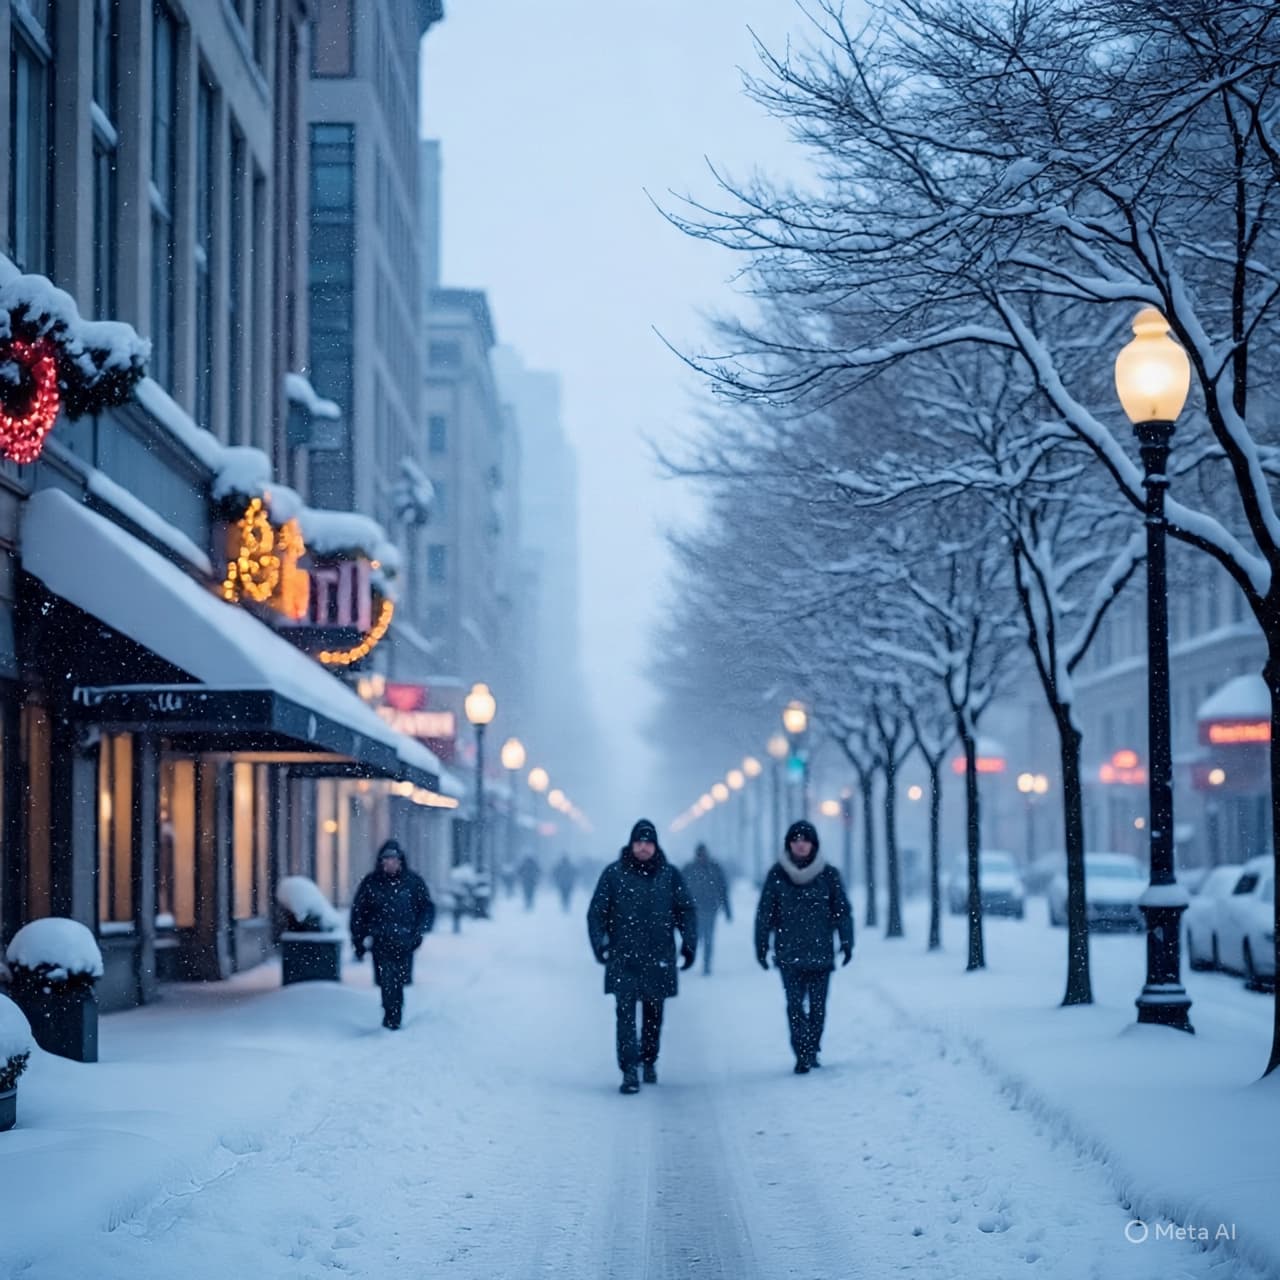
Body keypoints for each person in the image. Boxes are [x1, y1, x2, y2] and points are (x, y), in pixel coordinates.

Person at [587, 818, 698, 1094]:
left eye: (648, 842)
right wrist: (599, 943)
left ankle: (648, 1060)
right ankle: (629, 1070)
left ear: (655, 845)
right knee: (624, 1015)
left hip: (658, 957)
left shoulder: (669, 876)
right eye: (639, 842)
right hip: (623, 957)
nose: (643, 847)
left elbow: (686, 910)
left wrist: (689, 944)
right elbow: (597, 912)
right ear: (631, 844)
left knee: (653, 1014)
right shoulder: (613, 875)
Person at [754, 819, 853, 1074]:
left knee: (818, 1008)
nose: (800, 844)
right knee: (795, 1006)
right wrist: (761, 945)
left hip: (820, 953)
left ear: (814, 844)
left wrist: (846, 940)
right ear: (788, 844)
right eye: (795, 840)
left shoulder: (829, 875)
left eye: (805, 840)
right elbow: (765, 912)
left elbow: (842, 911)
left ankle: (812, 1047)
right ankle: (802, 1052)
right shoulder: (777, 875)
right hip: (789, 954)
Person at [350, 840, 435, 1030]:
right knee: (386, 980)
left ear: (400, 861)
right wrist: (358, 941)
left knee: (399, 980)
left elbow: (426, 908)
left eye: (394, 860)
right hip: (380, 941)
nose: (390, 864)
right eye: (386, 860)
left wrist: (419, 931)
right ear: (381, 862)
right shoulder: (371, 883)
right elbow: (359, 912)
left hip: (405, 941)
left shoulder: (412, 882)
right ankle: (390, 1014)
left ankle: (395, 1013)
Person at [682, 842, 732, 975]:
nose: (702, 856)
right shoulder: (689, 868)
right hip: (694, 911)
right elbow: (679, 890)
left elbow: (723, 889)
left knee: (708, 938)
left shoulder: (714, 868)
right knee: (695, 938)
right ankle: (688, 960)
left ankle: (706, 965)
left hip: (709, 910)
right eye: (700, 854)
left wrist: (727, 909)